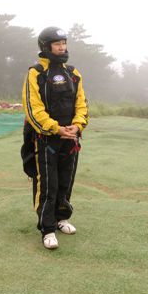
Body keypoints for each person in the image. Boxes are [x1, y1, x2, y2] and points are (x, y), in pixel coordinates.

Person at [22, 26, 89, 250]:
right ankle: (47, 229)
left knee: (65, 180)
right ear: (46, 46)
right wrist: (55, 128)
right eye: (57, 44)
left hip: (70, 139)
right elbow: (33, 109)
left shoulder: (73, 73)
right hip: (45, 139)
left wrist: (77, 126)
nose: (62, 47)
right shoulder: (36, 73)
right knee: (48, 184)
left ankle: (62, 218)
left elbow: (82, 104)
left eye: (64, 43)